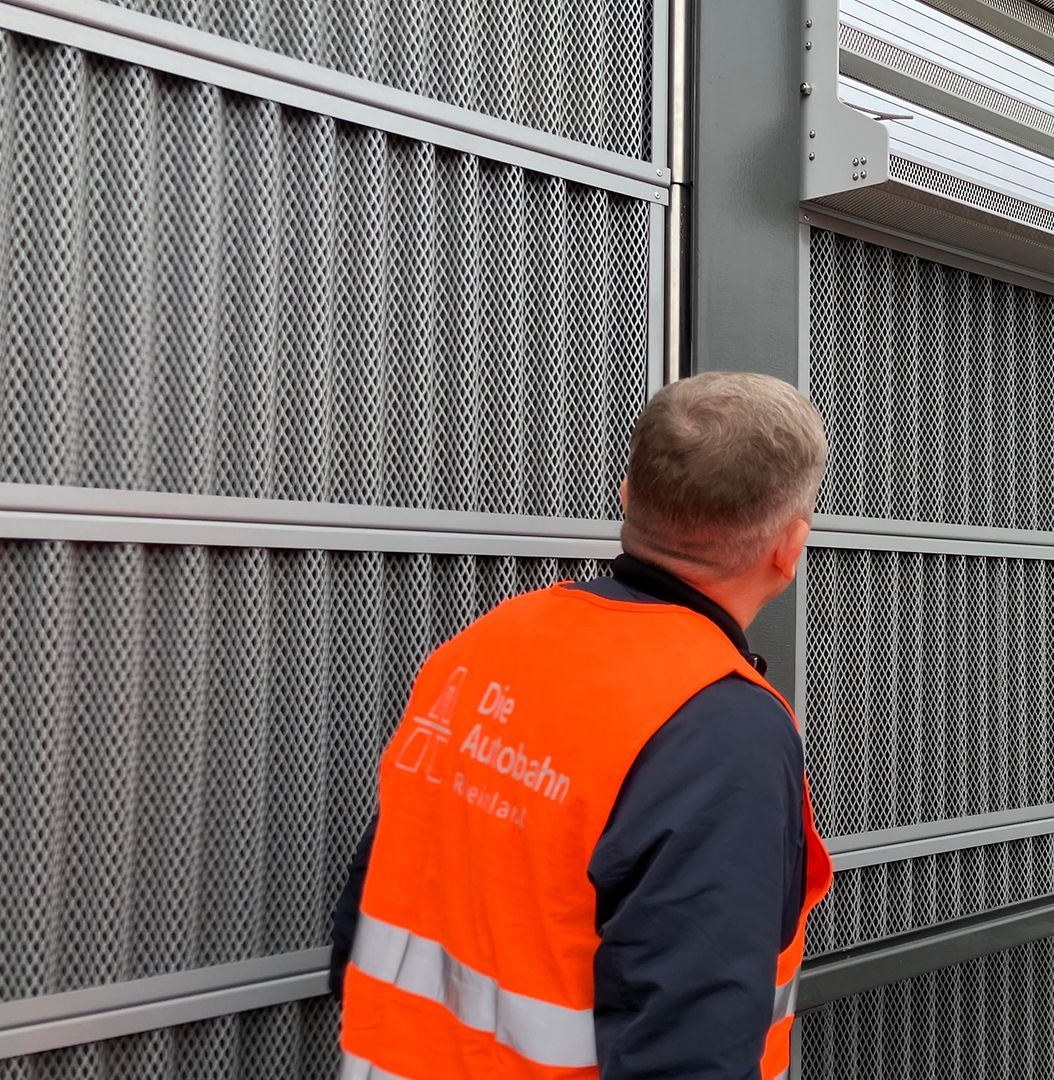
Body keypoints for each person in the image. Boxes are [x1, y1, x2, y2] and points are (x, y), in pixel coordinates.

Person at [330, 372, 834, 1080]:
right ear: (790, 546)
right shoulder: (721, 729)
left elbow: (375, 891)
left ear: (627, 495)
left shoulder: (485, 646)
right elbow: (692, 1043)